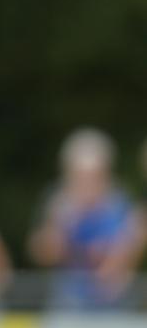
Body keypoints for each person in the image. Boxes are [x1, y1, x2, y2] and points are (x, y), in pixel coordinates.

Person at [28, 128, 145, 309]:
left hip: (115, 305)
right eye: (80, 176)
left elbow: (126, 258)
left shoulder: (120, 203)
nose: (87, 184)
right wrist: (63, 223)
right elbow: (41, 253)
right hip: (66, 302)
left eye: (94, 176)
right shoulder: (57, 203)